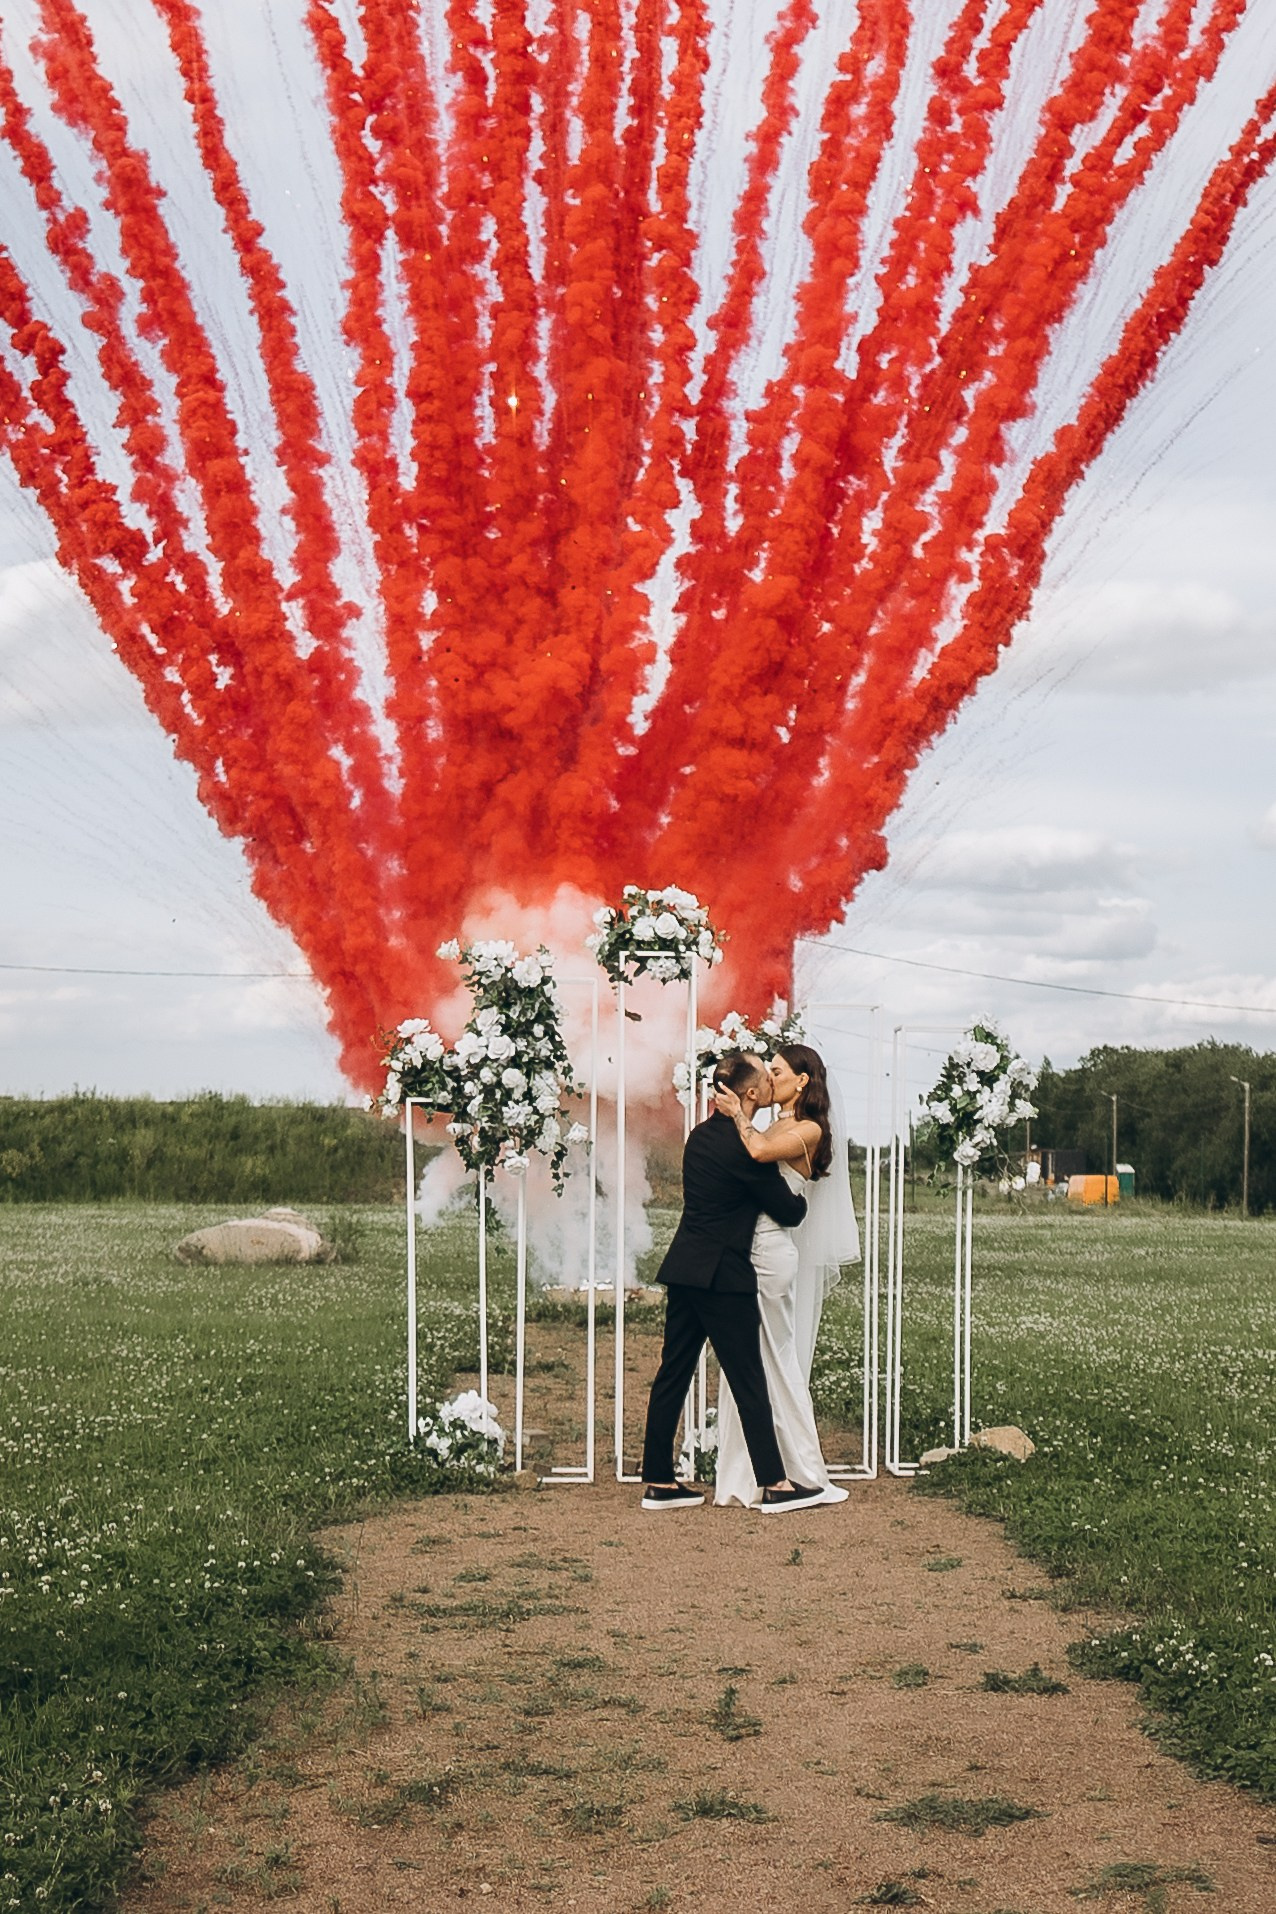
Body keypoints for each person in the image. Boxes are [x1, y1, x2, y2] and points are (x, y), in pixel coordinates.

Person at [639, 1051, 827, 1514]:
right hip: (723, 1276)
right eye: (765, 1078)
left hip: (684, 1268)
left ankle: (658, 1481)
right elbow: (788, 1210)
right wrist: (802, 1204)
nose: (769, 1083)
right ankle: (776, 1485)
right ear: (750, 1094)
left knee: (673, 1373)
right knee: (747, 1377)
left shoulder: (699, 1138)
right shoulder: (745, 1148)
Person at [712, 1042, 860, 1508]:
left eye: (776, 1071)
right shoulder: (779, 1122)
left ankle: (805, 1470)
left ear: (801, 1081)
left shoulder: (808, 1130)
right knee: (748, 1360)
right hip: (748, 1249)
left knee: (776, 1357)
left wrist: (737, 1112)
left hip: (773, 1253)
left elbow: (756, 1153)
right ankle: (754, 1470)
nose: (769, 1079)